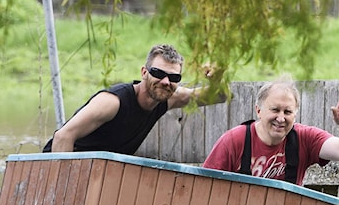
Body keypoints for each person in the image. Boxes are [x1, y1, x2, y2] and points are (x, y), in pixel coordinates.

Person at [43, 44, 225, 154]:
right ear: (144, 72)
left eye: (174, 78)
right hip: (58, 167)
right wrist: (62, 189)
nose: (165, 82)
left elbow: (219, 96)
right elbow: (63, 136)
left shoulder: (167, 98)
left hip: (98, 175)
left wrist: (217, 79)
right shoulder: (112, 102)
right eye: (158, 73)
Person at [203, 77, 339, 185]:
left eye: (287, 112)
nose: (280, 118)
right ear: (258, 110)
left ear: (295, 115)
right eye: (275, 110)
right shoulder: (234, 140)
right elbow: (205, 186)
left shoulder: (305, 138)